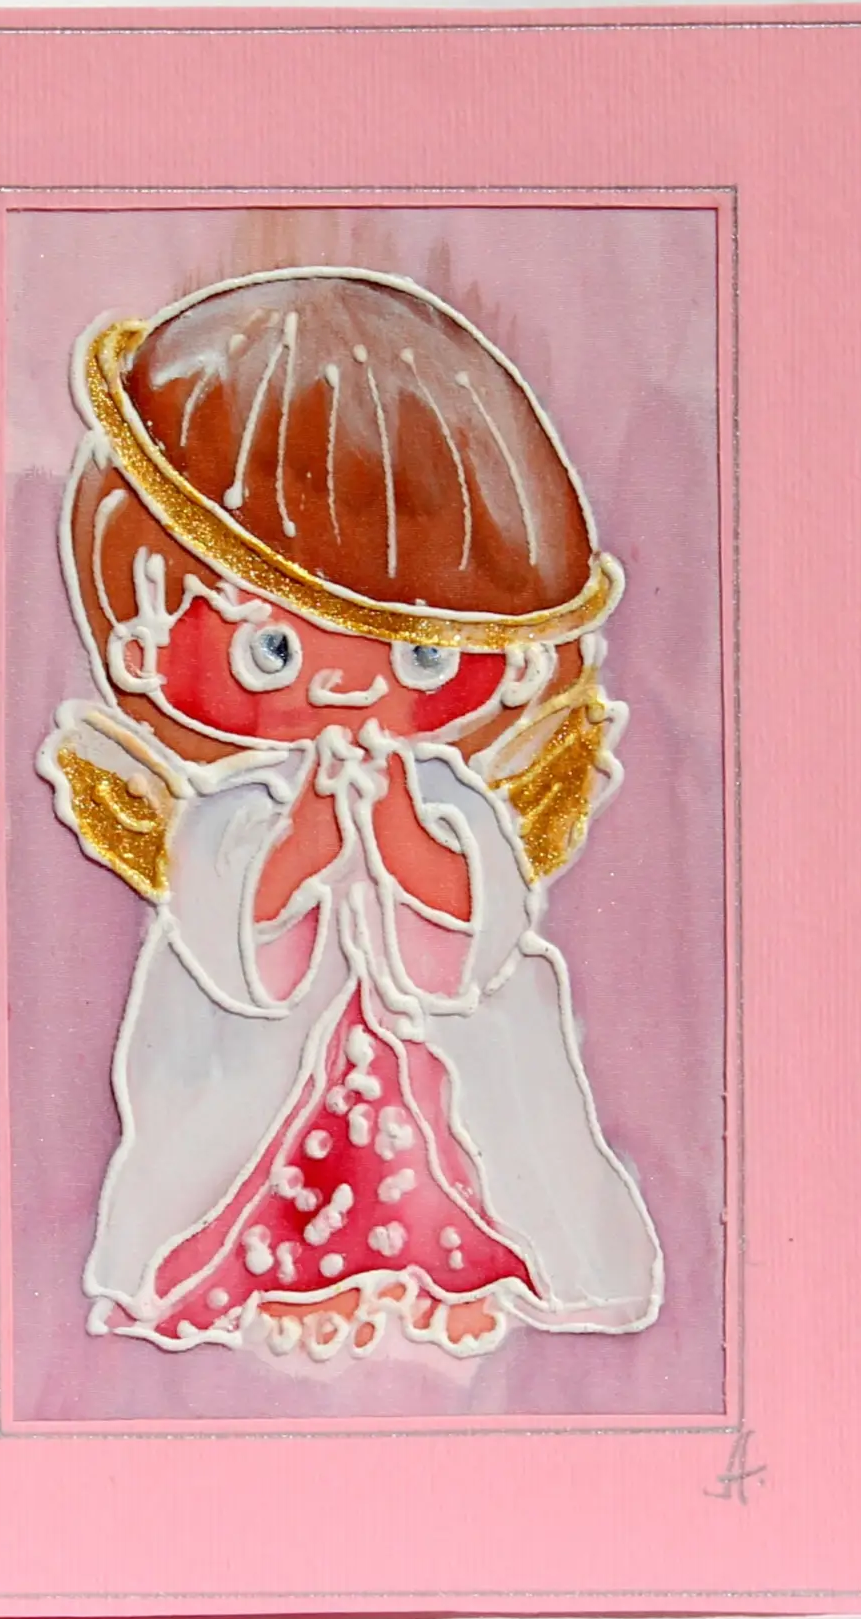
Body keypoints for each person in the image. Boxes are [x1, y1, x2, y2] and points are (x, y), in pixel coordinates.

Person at [38, 266, 662, 1364]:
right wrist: (301, 848)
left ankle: (449, 1268)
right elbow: (232, 949)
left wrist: (411, 842)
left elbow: (476, 940)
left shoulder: (449, 792)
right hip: (263, 1066)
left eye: (417, 652)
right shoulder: (233, 803)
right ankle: (285, 1279)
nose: (341, 688)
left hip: (430, 1064)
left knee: (464, 1145)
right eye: (272, 646)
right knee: (262, 1152)